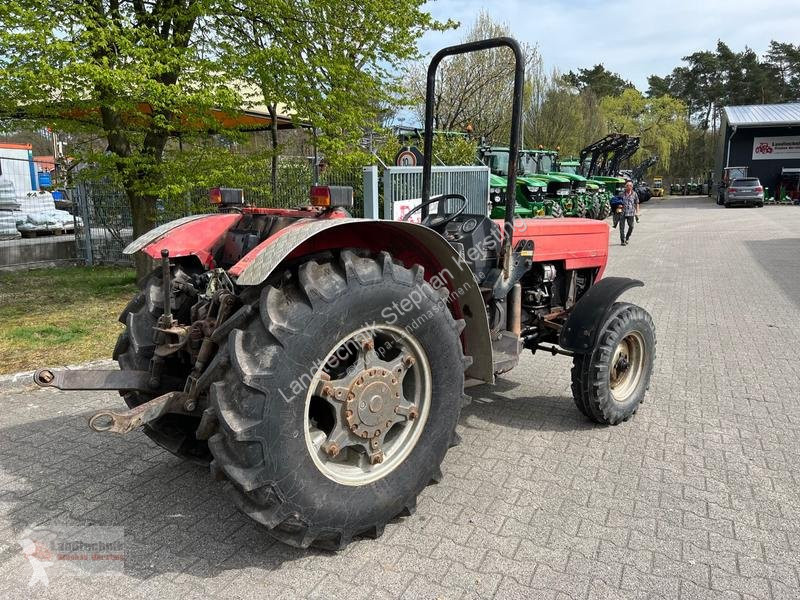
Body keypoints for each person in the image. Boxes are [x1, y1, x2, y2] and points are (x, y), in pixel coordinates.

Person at [618, 180, 639, 246]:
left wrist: (637, 212)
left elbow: (637, 203)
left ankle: (627, 237)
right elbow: (617, 202)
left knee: (631, 226)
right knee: (621, 227)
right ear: (625, 186)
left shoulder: (634, 194)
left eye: (630, 185)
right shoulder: (621, 194)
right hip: (622, 213)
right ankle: (623, 240)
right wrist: (619, 206)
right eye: (627, 185)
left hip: (631, 213)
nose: (629, 187)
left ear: (632, 187)